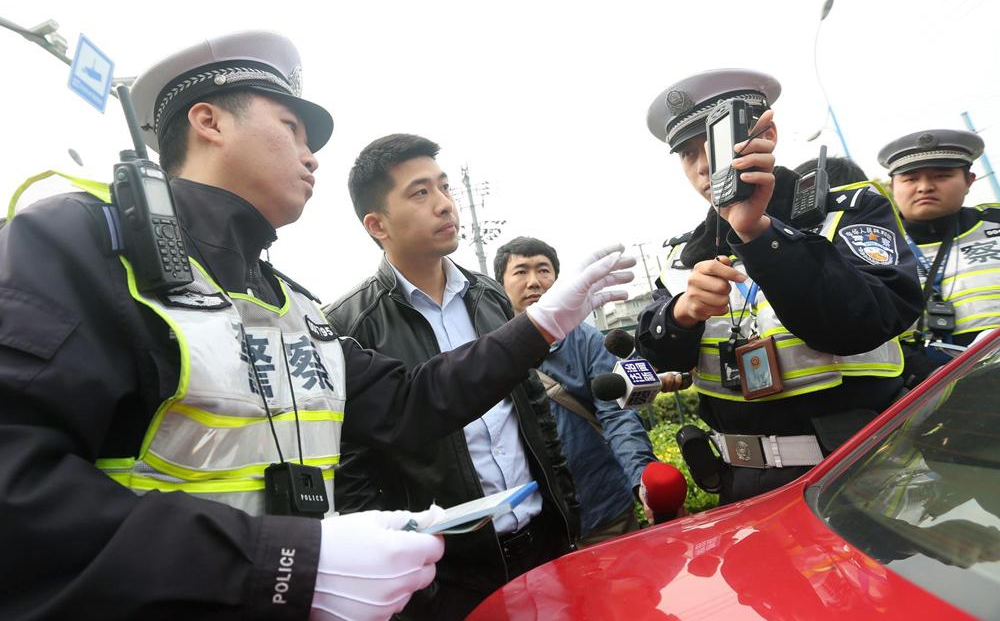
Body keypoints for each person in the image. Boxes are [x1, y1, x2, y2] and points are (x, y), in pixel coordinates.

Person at [0, 32, 633, 620]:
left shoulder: (290, 305)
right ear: (209, 121)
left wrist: (542, 324)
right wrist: (288, 561)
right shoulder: (81, 243)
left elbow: (412, 402)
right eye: (292, 129)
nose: (312, 158)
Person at [323, 134, 593, 620]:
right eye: (420, 192)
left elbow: (534, 415)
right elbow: (352, 473)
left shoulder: (491, 297)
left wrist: (564, 513)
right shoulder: (349, 326)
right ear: (376, 223)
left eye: (444, 187)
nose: (445, 204)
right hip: (445, 575)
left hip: (541, 545)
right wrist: (413, 583)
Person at [638, 68, 922, 504]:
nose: (701, 167)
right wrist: (682, 314)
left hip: (859, 475)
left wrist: (762, 237)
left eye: (712, 143)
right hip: (736, 486)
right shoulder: (682, 254)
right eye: (686, 154)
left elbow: (865, 320)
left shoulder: (848, 209)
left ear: (766, 132)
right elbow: (652, 356)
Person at [494, 235, 670, 544]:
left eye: (544, 270)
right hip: (531, 524)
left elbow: (617, 415)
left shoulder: (588, 340)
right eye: (521, 271)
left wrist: (643, 476)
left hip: (604, 509)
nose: (534, 281)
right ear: (501, 284)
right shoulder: (487, 351)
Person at [878, 129, 1000, 387]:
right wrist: (921, 375)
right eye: (910, 178)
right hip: (922, 393)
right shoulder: (871, 246)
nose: (924, 187)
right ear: (892, 187)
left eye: (942, 176)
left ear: (969, 180)